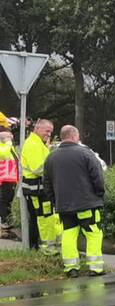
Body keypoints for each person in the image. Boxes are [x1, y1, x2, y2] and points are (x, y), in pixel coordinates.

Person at [43, 125, 106, 277]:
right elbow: (97, 177)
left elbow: (47, 183)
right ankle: (95, 267)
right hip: (86, 204)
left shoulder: (51, 157)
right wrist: (99, 194)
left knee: (69, 235)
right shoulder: (85, 153)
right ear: (74, 136)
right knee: (93, 233)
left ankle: (71, 268)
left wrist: (55, 200)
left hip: (64, 206)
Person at [20, 118, 62, 253]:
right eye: (47, 131)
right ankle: (45, 248)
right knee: (44, 219)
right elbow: (38, 168)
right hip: (37, 189)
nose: (49, 134)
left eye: (50, 132)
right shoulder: (33, 144)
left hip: (40, 189)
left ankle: (44, 247)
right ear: (37, 129)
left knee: (46, 218)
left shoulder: (38, 143)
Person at [0, 131, 18, 233]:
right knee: (4, 200)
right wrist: (8, 143)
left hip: (10, 178)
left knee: (8, 200)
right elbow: (5, 154)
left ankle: (8, 219)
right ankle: (5, 221)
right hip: (5, 178)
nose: (11, 137)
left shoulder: (7, 146)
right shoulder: (4, 147)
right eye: (8, 136)